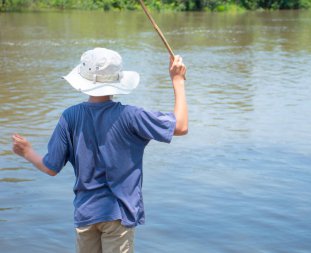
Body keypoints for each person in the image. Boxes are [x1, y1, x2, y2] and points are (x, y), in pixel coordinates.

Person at [12, 47, 188, 253]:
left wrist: (27, 152)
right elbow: (181, 126)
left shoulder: (70, 117)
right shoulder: (131, 116)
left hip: (85, 213)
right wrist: (178, 81)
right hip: (118, 213)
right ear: (117, 81)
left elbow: (51, 167)